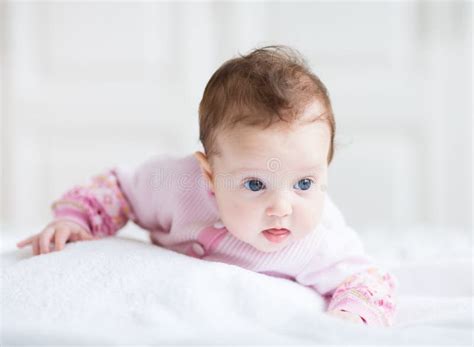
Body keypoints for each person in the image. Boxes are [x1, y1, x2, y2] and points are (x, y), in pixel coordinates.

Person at [16, 45, 398, 327]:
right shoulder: (175, 185)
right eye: (254, 183)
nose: (282, 207)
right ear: (209, 175)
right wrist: (78, 220)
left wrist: (351, 315)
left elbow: (364, 280)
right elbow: (119, 187)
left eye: (304, 183)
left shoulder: (317, 242)